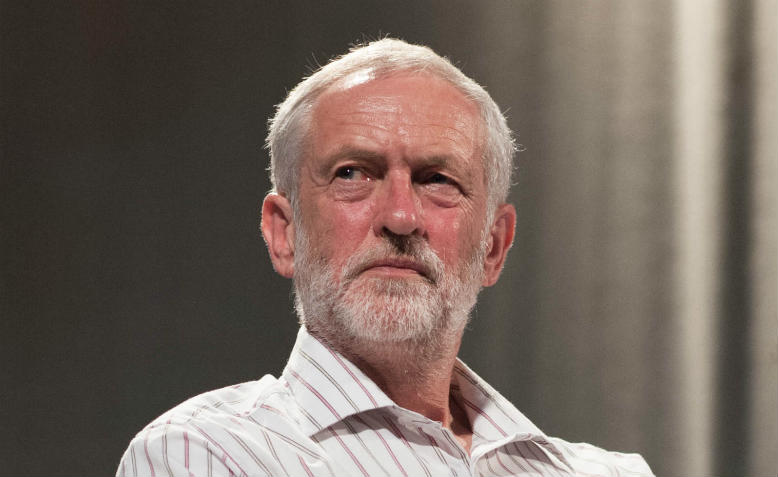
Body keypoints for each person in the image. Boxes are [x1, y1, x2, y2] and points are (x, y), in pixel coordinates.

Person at [117, 38, 653, 477]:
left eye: (438, 180)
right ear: (285, 234)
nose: (400, 216)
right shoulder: (204, 455)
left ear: (493, 245)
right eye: (352, 173)